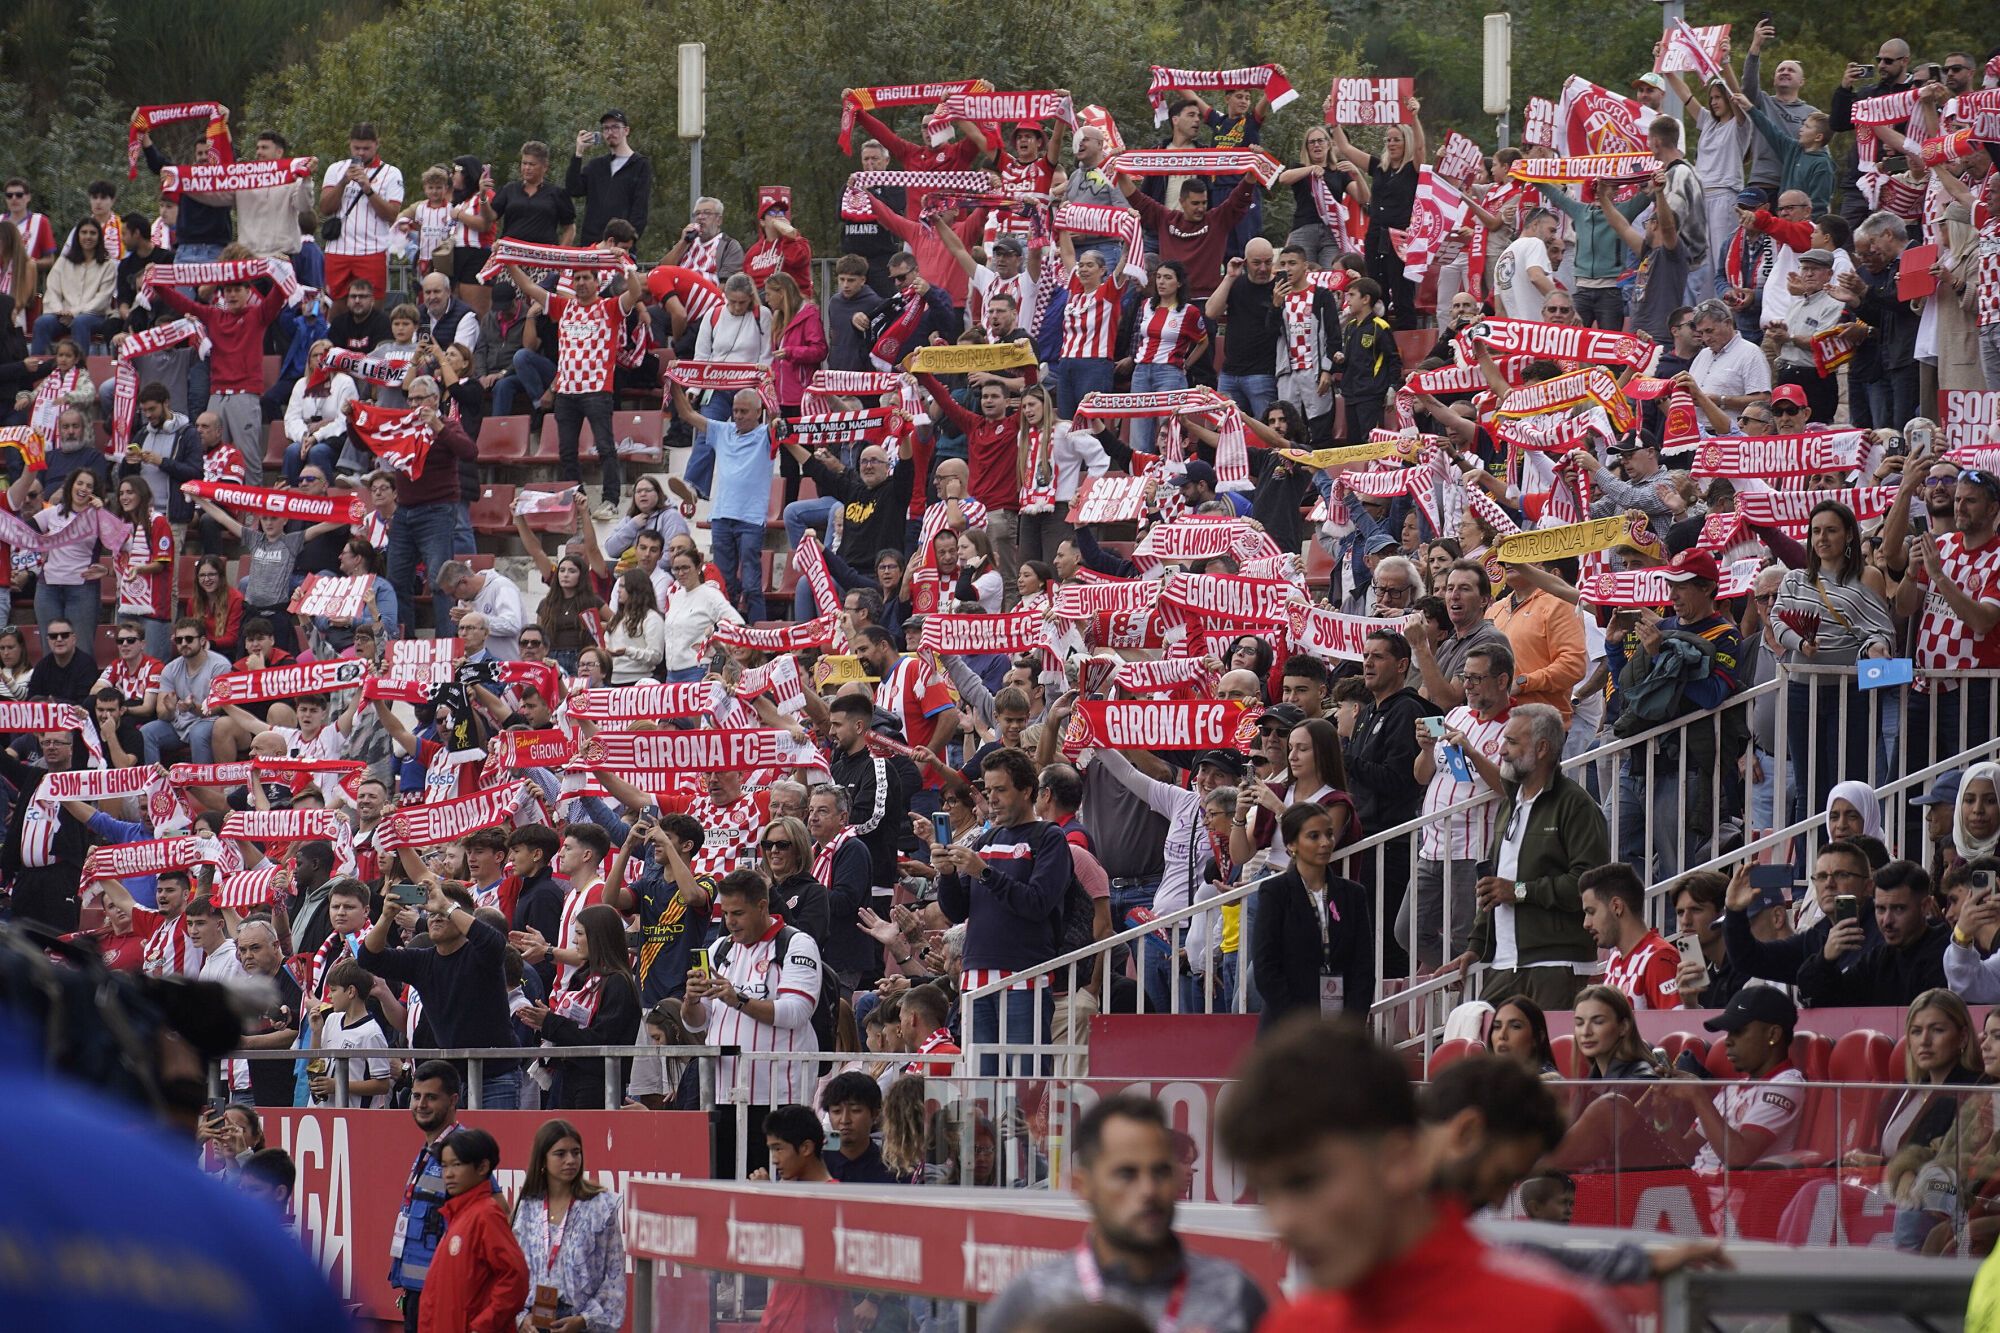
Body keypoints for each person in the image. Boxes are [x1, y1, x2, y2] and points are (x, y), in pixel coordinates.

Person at [1219, 1018, 1620, 1332]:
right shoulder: (1293, 1326)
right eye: (1266, 1193)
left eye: (1304, 1182)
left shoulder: (1553, 1319)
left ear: (1399, 1159)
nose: (1280, 1223)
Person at [984, 1093, 1269, 1333]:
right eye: (1126, 1174)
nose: (1148, 1190)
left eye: (1160, 1172)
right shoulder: (1033, 1299)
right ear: (1083, 1186)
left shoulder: (1235, 1296)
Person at [1444, 703, 1606, 1010]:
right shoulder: (1511, 803)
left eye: (1512, 742)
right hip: (1504, 964)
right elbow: (1495, 884)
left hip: (1556, 965)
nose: (1502, 751)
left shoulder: (1577, 805)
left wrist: (1518, 891)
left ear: (1542, 748)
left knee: (1545, 1059)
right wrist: (1476, 946)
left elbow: (1587, 886)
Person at [681, 870, 824, 1177]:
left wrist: (740, 1001)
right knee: (723, 1188)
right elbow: (696, 1023)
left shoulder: (796, 944)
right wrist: (691, 1000)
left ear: (762, 906)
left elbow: (797, 1011)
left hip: (778, 1097)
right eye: (726, 913)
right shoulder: (719, 948)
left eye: (738, 913)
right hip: (721, 1094)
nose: (730, 921)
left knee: (773, 1193)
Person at [934, 747, 1070, 1067]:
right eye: (988, 790)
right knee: (983, 1089)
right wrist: (948, 874)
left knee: (1026, 1082)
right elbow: (957, 912)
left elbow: (1037, 903)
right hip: (975, 975)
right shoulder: (986, 839)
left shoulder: (1050, 838)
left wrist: (984, 872)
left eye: (1000, 789)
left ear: (1026, 790)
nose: (991, 798)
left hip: (1025, 975)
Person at [359, 876, 522, 1109]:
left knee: (493, 1145)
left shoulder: (480, 954)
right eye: (430, 912)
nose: (434, 916)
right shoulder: (422, 961)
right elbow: (369, 958)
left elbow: (494, 942)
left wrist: (446, 905)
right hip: (449, 1082)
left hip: (495, 1077)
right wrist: (386, 917)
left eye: (441, 912)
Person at [503, 260, 643, 520]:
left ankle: (610, 500)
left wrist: (626, 266)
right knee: (566, 451)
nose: (580, 283)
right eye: (576, 278)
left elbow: (635, 293)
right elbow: (529, 287)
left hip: (598, 389)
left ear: (597, 282)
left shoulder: (609, 307)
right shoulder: (562, 306)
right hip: (566, 391)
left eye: (586, 278)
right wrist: (508, 263)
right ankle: (576, 500)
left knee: (604, 447)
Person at [1252, 802, 1373, 1029]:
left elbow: (1363, 968)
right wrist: (1302, 1026)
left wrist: (1350, 1024)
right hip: (1287, 1032)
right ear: (1291, 845)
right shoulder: (1275, 893)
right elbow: (1266, 968)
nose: (1325, 843)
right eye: (1314, 836)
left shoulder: (1353, 894)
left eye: (1329, 834)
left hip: (1341, 1033)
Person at [511, 1118, 626, 1333]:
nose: (571, 1160)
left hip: (579, 1319)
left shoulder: (601, 1206)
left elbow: (614, 1274)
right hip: (534, 1319)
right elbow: (512, 1272)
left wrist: (584, 1320)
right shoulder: (527, 1206)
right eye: (560, 1154)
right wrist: (521, 1318)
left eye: (576, 1152)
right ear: (543, 1159)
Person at [420, 1126, 530, 1333]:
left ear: (482, 1168)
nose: (448, 1174)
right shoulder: (459, 1215)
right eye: (444, 1166)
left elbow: (515, 1277)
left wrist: (483, 1327)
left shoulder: (486, 1215)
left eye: (457, 1165)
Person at [1797, 860, 1949, 1008]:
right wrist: (1824, 959)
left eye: (1899, 909)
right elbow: (1822, 999)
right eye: (1881, 909)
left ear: (1925, 907)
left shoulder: (1948, 955)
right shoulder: (1879, 959)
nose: (1887, 921)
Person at [1579, 863, 1679, 1010]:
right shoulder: (1615, 958)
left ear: (1617, 907)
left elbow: (1677, 1028)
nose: (1586, 923)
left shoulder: (1659, 958)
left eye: (1591, 912)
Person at [566, 109, 652, 244]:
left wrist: (629, 242)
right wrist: (578, 153)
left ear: (626, 131)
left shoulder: (640, 165)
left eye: (615, 127)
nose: (610, 132)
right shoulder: (596, 165)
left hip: (620, 246)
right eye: (606, 128)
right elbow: (573, 189)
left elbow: (640, 210)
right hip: (591, 245)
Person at [818, 1071, 896, 1183]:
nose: (845, 1120)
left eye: (855, 1110)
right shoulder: (814, 1165)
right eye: (836, 1111)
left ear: (875, 1114)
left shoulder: (893, 1169)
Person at [1487, 995, 1561, 1077]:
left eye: (1515, 1026)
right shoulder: (1485, 1079)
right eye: (1497, 1027)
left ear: (1538, 1037)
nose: (1502, 1035)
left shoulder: (1549, 1083)